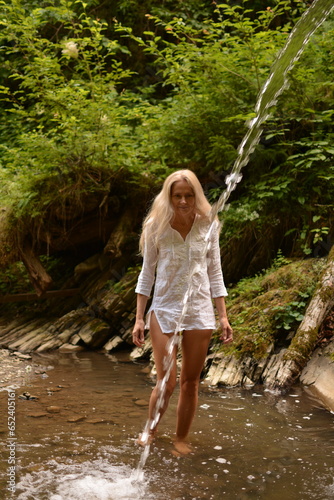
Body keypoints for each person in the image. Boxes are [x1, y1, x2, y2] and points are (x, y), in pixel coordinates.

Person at [132, 169, 233, 455]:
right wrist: (139, 317)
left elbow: (215, 272)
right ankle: (150, 431)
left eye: (189, 195)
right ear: (169, 196)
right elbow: (146, 274)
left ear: (197, 195)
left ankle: (180, 439)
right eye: (178, 196)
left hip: (199, 310)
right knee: (167, 379)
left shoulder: (209, 225)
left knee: (190, 382)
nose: (184, 201)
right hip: (163, 308)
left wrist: (223, 316)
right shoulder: (156, 225)